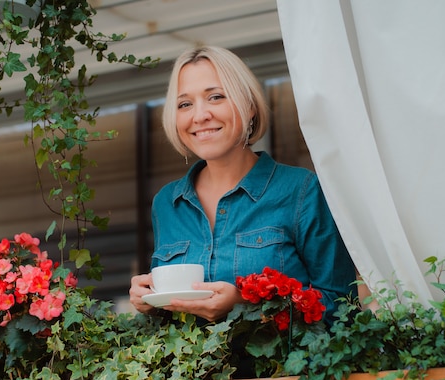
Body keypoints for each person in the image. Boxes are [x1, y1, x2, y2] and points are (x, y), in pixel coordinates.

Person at [129, 45, 357, 323]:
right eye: (185, 104)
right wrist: (148, 299)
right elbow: (171, 314)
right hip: (197, 368)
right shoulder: (167, 203)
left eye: (215, 97)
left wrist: (245, 306)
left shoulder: (303, 190)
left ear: (249, 107)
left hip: (287, 368)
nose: (199, 116)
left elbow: (341, 305)